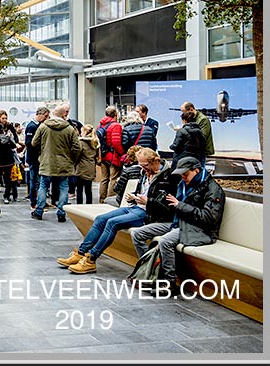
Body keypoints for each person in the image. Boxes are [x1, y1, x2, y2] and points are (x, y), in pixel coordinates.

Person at [58, 147, 177, 274]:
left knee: (112, 223)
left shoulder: (168, 178)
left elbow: (167, 206)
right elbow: (141, 191)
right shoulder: (144, 173)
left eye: (145, 165)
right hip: (135, 207)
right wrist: (133, 196)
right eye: (140, 165)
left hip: (149, 213)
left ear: (155, 161)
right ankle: (81, 253)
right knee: (100, 219)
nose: (142, 168)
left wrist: (148, 202)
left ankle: (91, 259)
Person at [129, 156, 225, 293]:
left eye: (185, 174)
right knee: (137, 233)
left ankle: (169, 282)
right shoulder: (183, 184)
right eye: (181, 175)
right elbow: (174, 207)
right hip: (178, 223)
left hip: (199, 229)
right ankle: (151, 273)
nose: (183, 178)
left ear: (196, 171)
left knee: (165, 241)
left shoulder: (213, 189)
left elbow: (210, 218)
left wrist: (180, 205)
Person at [31, 104, 81, 222]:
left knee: (43, 186)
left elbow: (34, 143)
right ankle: (61, 213)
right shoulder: (69, 129)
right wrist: (72, 159)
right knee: (63, 187)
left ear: (53, 114)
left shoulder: (43, 127)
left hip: (47, 162)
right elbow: (77, 147)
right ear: (63, 114)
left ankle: (39, 211)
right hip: (64, 163)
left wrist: (42, 153)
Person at [96, 105, 124, 204]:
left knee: (104, 179)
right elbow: (116, 143)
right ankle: (111, 200)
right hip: (113, 156)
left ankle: (102, 200)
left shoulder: (100, 125)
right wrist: (122, 153)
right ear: (115, 114)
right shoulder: (116, 125)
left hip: (103, 155)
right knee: (114, 179)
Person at [24, 106, 50, 208]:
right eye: (46, 116)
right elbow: (29, 143)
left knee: (41, 181)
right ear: (40, 115)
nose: (47, 118)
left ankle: (41, 200)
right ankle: (34, 202)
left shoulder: (40, 125)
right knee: (34, 180)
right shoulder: (32, 126)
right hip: (34, 158)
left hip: (40, 158)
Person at [74, 124, 100, 204]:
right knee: (88, 189)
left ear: (84, 132)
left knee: (79, 189)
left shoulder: (81, 142)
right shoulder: (95, 142)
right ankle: (89, 205)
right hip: (91, 167)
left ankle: (79, 206)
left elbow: (77, 155)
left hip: (81, 167)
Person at [0, 120, 18, 204]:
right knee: (8, 179)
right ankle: (6, 196)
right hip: (8, 162)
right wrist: (8, 136)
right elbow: (14, 145)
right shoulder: (7, 138)